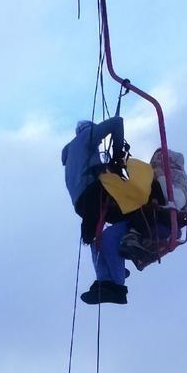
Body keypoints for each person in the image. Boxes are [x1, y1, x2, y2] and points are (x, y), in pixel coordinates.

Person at [61, 117, 130, 305]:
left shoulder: (71, 153)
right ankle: (118, 281)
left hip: (81, 203)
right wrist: (118, 156)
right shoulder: (86, 137)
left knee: (95, 238)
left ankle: (105, 280)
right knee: (133, 214)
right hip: (93, 192)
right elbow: (117, 122)